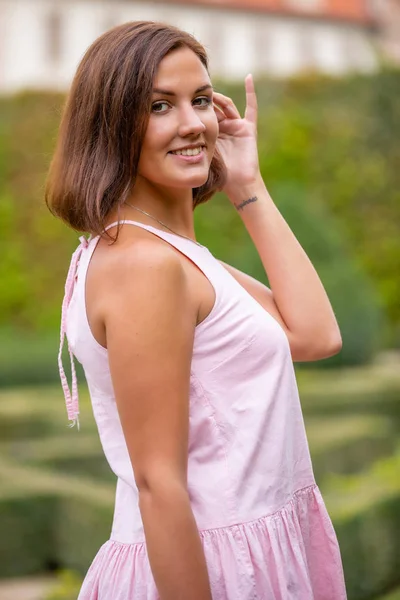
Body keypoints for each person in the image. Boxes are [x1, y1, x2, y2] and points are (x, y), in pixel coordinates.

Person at [46, 20, 347, 600]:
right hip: (210, 569)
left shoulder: (170, 256)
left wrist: (246, 185)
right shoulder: (143, 267)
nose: (193, 124)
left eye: (201, 100)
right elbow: (159, 484)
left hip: (249, 553)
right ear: (111, 125)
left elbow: (314, 335)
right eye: (160, 105)